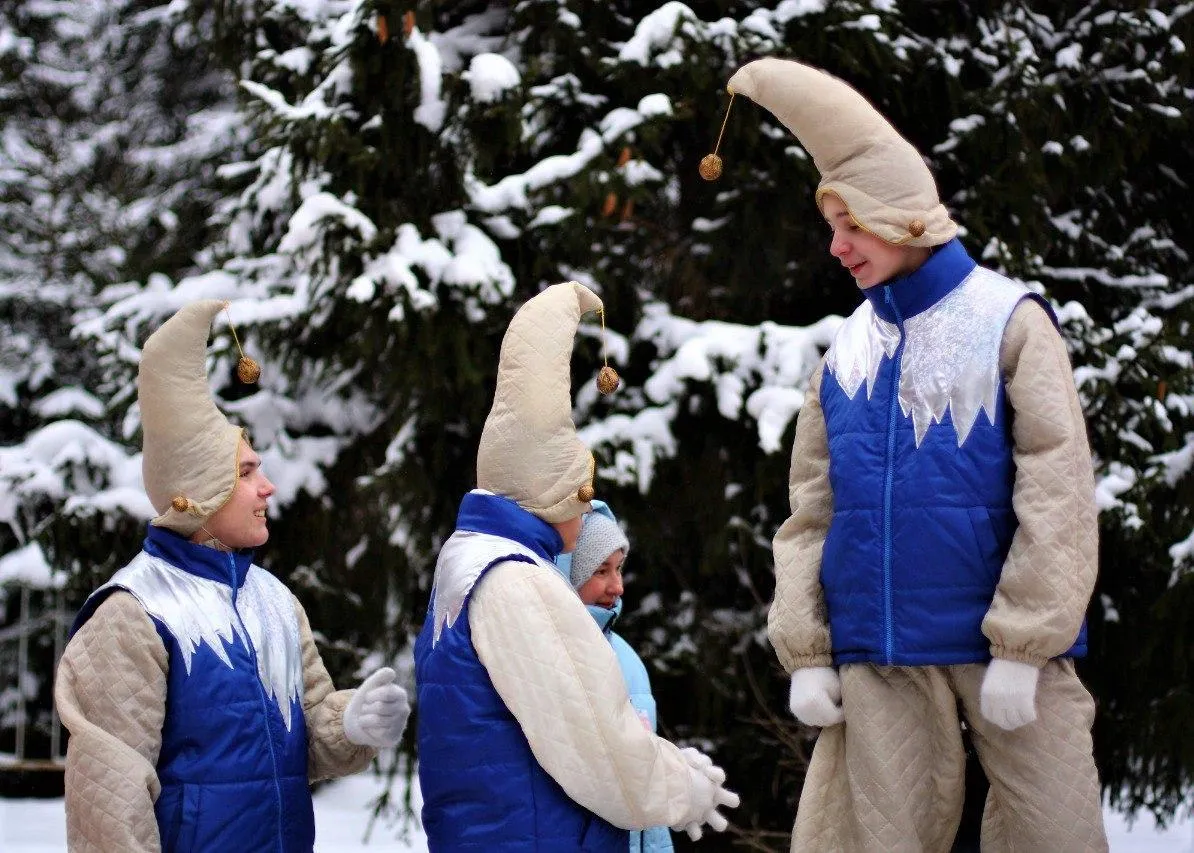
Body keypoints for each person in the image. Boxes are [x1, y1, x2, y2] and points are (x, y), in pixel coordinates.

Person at [722, 58, 1108, 851]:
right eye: (832, 227)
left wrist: (1026, 642)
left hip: (1005, 653)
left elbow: (1058, 489)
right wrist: (806, 650)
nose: (837, 247)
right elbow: (809, 516)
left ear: (900, 219)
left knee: (1056, 832)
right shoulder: (845, 354)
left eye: (851, 225)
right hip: (881, 659)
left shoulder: (1011, 321)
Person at [53, 300, 411, 853]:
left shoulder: (275, 600)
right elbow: (110, 811)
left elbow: (306, 735)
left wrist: (352, 724)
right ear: (197, 493)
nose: (267, 487)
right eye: (247, 472)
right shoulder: (132, 613)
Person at [414, 281, 738, 851]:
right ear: (556, 492)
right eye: (582, 491)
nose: (586, 507)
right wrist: (682, 788)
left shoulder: (466, 563)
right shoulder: (518, 579)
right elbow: (595, 742)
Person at [561, 501, 674, 853]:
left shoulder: (627, 659)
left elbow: (648, 786)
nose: (618, 586)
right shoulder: (550, 658)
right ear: (568, 574)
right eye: (601, 571)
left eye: (619, 569)